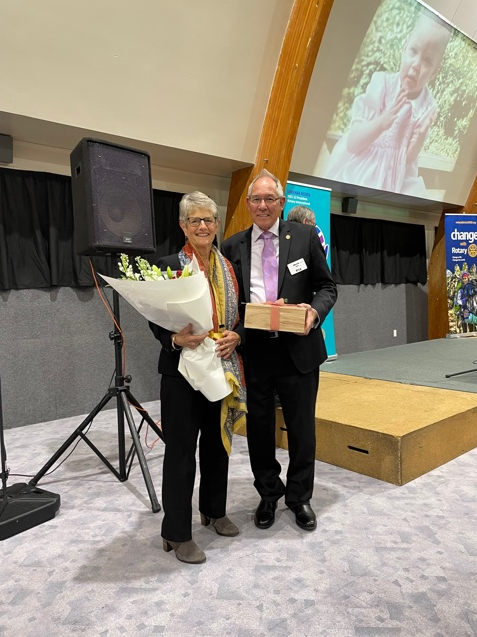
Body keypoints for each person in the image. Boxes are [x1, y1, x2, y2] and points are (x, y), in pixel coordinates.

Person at [221, 169, 337, 532]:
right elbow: (231, 303)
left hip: (298, 350)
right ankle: (269, 493)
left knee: (302, 428)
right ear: (247, 204)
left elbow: (327, 286)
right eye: (256, 199)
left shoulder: (304, 236)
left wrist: (314, 312)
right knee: (258, 429)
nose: (263, 205)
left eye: (269, 199)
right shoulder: (232, 247)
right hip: (255, 351)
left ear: (282, 203)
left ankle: (299, 497)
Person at [149, 191, 246, 564]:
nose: (203, 226)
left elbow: (240, 314)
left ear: (217, 225)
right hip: (182, 373)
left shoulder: (230, 267)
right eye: (195, 220)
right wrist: (175, 339)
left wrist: (237, 335)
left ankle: (214, 511)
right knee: (180, 452)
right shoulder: (169, 265)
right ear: (183, 226)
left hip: (220, 366)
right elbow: (156, 319)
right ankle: (175, 533)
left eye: (208, 220)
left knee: (217, 445)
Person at [324, 11, 451, 196]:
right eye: (413, 51)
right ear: (404, 47)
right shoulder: (382, 85)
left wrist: (420, 138)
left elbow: (407, 160)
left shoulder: (426, 106)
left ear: (435, 71)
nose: (416, 65)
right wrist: (382, 122)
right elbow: (353, 142)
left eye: (427, 60)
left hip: (395, 176)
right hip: (364, 164)